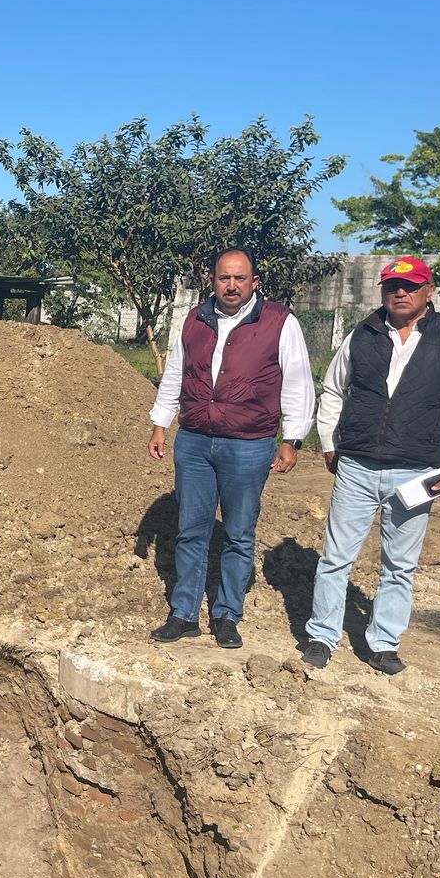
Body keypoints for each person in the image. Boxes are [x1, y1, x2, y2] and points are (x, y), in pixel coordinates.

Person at [300, 256, 440, 675]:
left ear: (428, 291)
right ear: (382, 291)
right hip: (357, 466)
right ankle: (321, 636)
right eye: (392, 286)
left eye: (410, 285)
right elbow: (333, 388)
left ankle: (383, 643)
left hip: (416, 471)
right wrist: (330, 441)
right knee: (334, 558)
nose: (400, 292)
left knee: (399, 565)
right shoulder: (362, 334)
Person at [148, 248, 315, 649]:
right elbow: (176, 373)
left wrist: (291, 439)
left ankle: (226, 615)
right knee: (191, 531)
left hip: (249, 444)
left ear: (254, 282)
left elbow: (297, 382)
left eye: (240, 278)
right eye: (225, 277)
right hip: (194, 442)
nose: (232, 285)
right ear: (213, 280)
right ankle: (184, 613)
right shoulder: (194, 320)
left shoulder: (279, 322)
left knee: (239, 534)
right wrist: (160, 424)